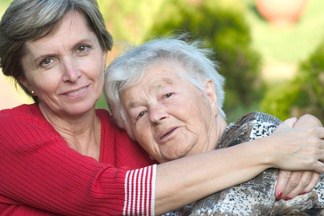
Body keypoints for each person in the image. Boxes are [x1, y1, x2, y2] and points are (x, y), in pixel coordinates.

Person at [0, 0, 324, 215]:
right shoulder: (9, 134)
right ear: (23, 77)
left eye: (82, 49)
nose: (72, 74)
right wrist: (274, 149)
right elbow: (107, 195)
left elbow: (211, 144)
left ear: (103, 50)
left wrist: (303, 133)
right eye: (47, 61)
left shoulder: (134, 131)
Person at [104, 37, 324, 215]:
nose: (156, 115)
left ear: (208, 94)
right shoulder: (161, 201)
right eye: (140, 114)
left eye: (167, 95)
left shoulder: (259, 132)